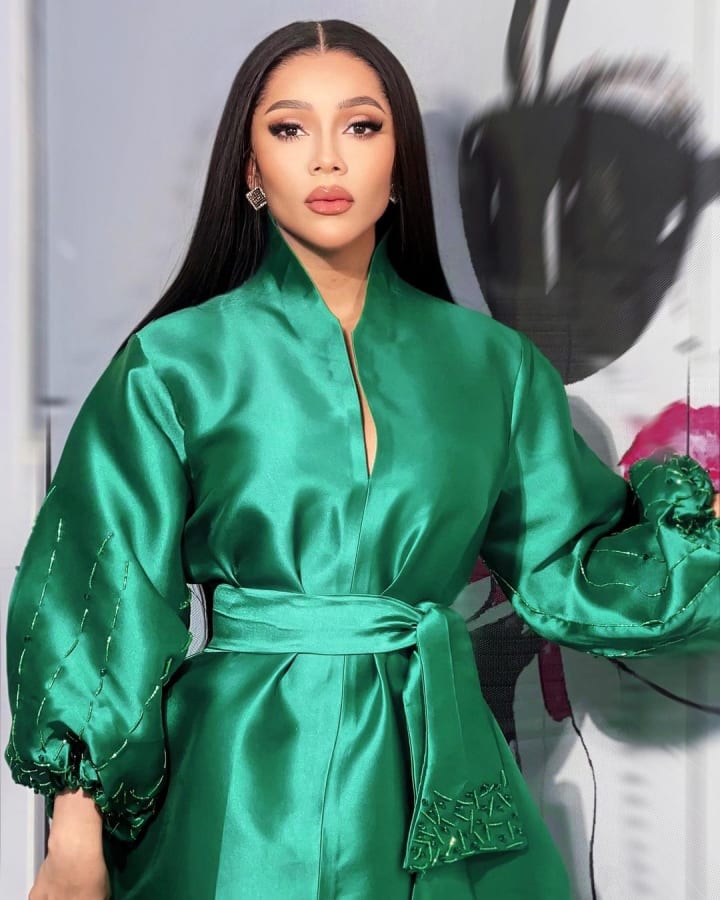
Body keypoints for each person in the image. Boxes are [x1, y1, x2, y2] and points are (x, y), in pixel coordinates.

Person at [5, 18, 720, 900]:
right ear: (250, 169)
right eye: (289, 128)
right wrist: (74, 840)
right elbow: (101, 593)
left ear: (399, 160)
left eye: (361, 125)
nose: (327, 158)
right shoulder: (172, 364)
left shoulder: (492, 367)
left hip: (438, 771)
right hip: (240, 782)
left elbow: (572, 564)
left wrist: (697, 537)